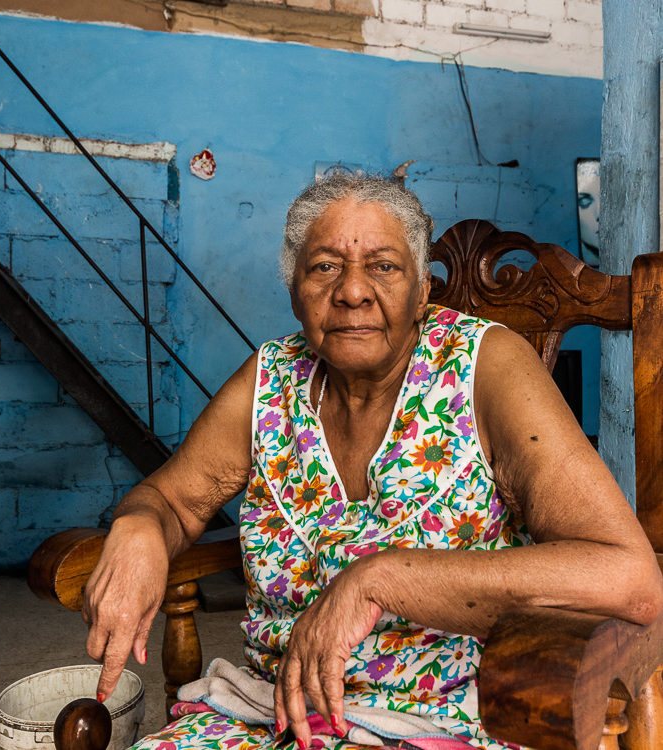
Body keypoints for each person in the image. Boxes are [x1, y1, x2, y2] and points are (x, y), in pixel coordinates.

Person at [82, 174, 663, 750]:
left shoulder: (486, 366)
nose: (353, 291)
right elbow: (171, 499)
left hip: (443, 721)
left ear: (421, 292)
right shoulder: (271, 377)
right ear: (293, 292)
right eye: (325, 266)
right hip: (268, 717)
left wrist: (377, 580)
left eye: (383, 266)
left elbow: (629, 579)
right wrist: (140, 524)